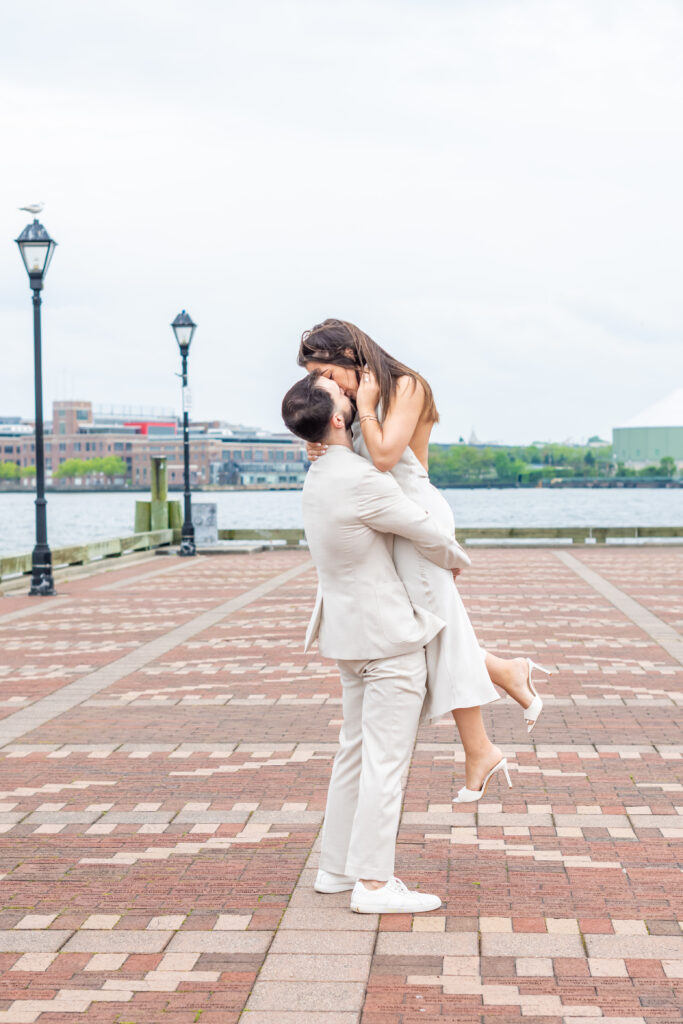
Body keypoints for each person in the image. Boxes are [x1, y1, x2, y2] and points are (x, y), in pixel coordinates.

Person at [298, 318, 552, 801]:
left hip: (416, 515)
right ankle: (501, 680)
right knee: (429, 627)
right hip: (386, 522)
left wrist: (366, 408)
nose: (323, 385)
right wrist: (320, 442)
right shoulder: (351, 405)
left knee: (438, 627)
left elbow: (385, 458)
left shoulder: (405, 386)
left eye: (326, 373)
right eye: (316, 378)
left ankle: (482, 739)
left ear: (350, 356)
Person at [281, 371, 473, 913]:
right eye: (344, 394)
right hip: (388, 641)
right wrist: (456, 564)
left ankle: (336, 870)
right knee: (385, 762)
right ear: (339, 418)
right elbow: (427, 530)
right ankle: (372, 884)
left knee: (353, 755)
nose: (352, 392)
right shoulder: (362, 480)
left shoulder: (317, 476)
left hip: (347, 638)